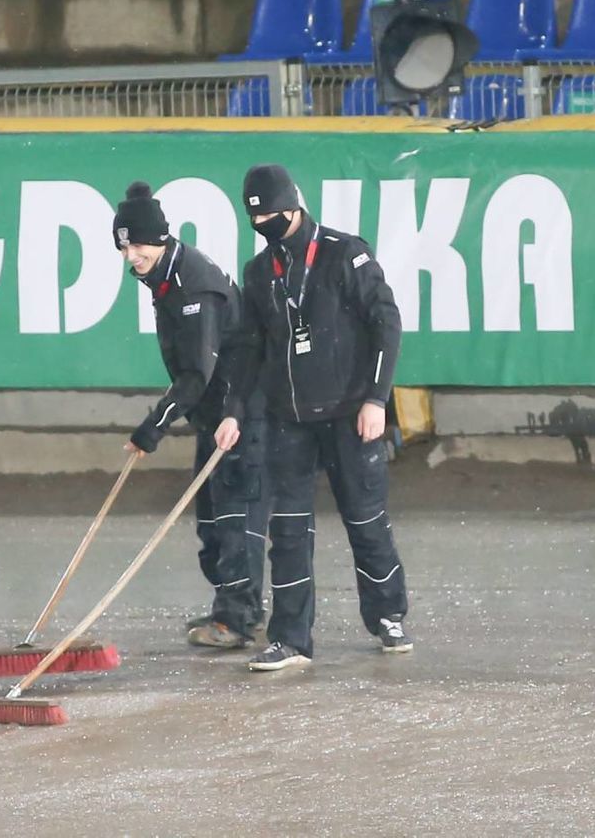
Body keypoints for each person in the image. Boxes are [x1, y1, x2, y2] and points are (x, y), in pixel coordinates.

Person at [215, 164, 412, 672]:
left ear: (294, 207)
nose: (264, 225)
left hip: (350, 416)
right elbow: (249, 352)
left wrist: (376, 399)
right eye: (255, 219)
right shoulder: (260, 274)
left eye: (272, 216)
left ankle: (388, 613)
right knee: (289, 532)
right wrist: (234, 411)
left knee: (365, 522)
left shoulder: (345, 252)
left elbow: (386, 324)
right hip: (288, 421)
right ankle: (290, 639)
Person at [113, 181, 269, 649]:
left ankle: (237, 619)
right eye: (123, 248)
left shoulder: (192, 286)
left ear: (159, 239)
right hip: (215, 411)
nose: (130, 257)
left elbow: (196, 375)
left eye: (136, 246)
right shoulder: (166, 274)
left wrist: (152, 429)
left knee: (233, 517)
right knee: (210, 519)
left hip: (241, 412)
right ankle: (236, 606)